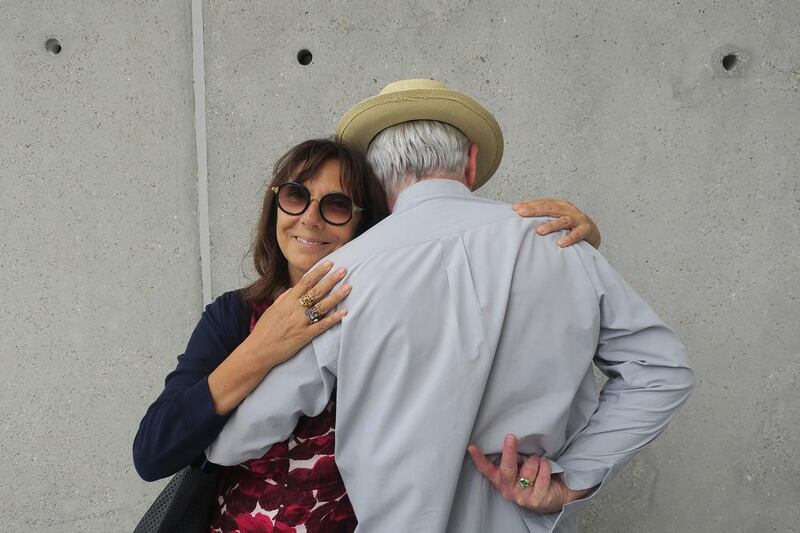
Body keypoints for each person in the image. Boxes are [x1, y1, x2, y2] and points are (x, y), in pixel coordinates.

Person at [206, 79, 695, 532]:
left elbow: (243, 437)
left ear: (375, 182)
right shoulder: (562, 244)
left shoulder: (341, 276)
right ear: (472, 162)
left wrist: (217, 439)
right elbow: (663, 371)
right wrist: (572, 478)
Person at [133, 138, 602, 530]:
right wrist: (265, 343)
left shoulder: (410, 312)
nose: (310, 218)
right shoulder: (234, 317)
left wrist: (574, 251)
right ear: (274, 204)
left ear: (365, 222)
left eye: (336, 205)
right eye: (295, 195)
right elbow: (154, 453)